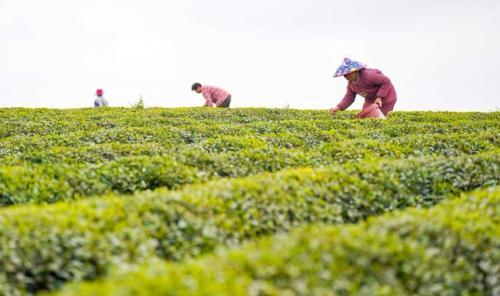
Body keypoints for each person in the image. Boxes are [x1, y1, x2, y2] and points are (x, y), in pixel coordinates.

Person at [329, 58, 397, 116]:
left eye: (347, 74)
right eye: (344, 75)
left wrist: (379, 97)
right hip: (370, 100)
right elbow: (349, 97)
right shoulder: (351, 84)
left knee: (379, 116)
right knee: (365, 115)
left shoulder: (369, 75)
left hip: (386, 97)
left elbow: (386, 81)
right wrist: (339, 107)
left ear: (354, 71)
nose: (345, 76)